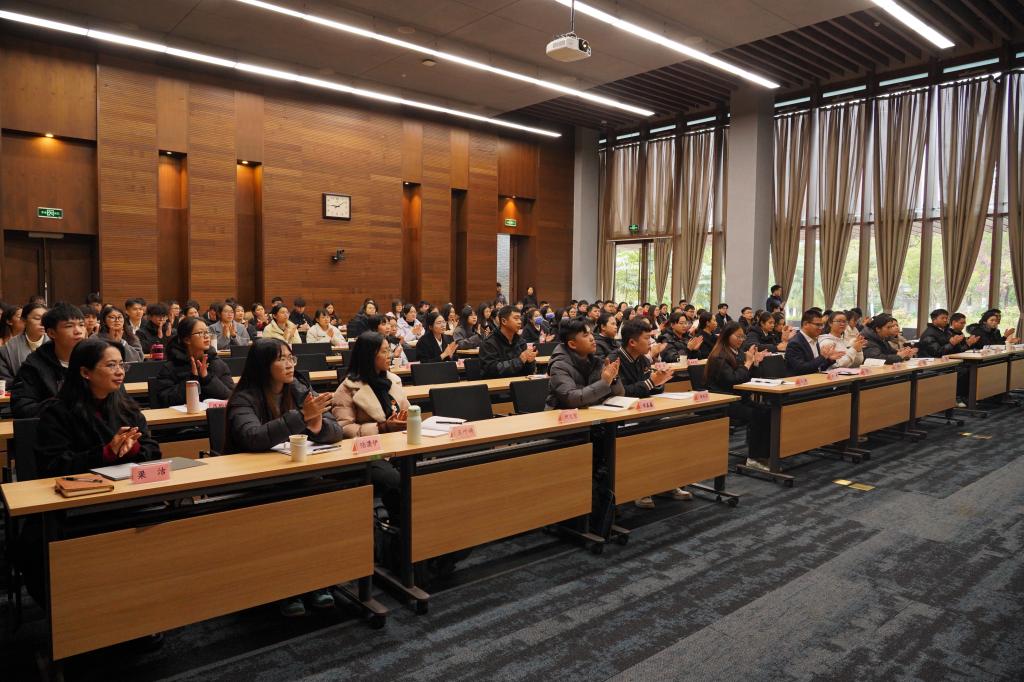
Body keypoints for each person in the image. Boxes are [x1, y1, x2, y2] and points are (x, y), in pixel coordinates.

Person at [224, 338, 340, 616]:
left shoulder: (298, 388)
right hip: (255, 481)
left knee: (325, 496)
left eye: (291, 358)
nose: (290, 364)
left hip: (293, 473)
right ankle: (288, 586)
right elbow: (253, 437)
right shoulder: (243, 398)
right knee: (288, 508)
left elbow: (336, 430)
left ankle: (317, 579)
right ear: (263, 365)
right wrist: (301, 416)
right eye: (282, 359)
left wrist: (318, 425)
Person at [36, 338, 161, 477]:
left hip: (128, 484)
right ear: (85, 372)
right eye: (111, 365)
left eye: (121, 365)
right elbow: (53, 466)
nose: (120, 372)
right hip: (87, 487)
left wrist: (133, 448)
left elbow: (153, 450)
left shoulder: (126, 406)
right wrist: (106, 453)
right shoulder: (57, 413)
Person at [615, 318, 687, 507]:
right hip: (622, 416)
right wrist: (651, 382)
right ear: (632, 342)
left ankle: (666, 483)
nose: (651, 343)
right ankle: (641, 488)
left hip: (643, 411)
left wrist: (659, 381)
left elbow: (650, 387)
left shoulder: (641, 359)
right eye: (647, 338)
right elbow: (622, 393)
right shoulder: (615, 359)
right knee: (644, 438)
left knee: (671, 428)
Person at [331, 331, 405, 514]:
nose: (390, 355)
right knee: (393, 479)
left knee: (426, 469)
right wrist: (382, 427)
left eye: (389, 350)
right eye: (384, 351)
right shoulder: (347, 389)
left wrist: (407, 420)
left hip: (398, 446)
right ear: (369, 356)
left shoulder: (392, 381)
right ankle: (399, 526)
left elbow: (407, 410)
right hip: (369, 454)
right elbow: (344, 429)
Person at [706, 323, 771, 471]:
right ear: (726, 336)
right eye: (738, 336)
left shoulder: (739, 353)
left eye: (743, 337)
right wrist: (748, 363)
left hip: (740, 398)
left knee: (767, 410)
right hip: (725, 401)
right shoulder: (718, 356)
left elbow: (749, 377)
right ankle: (754, 458)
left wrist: (755, 363)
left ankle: (763, 453)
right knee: (758, 414)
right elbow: (733, 380)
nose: (741, 340)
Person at [11, 302, 86, 418]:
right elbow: (22, 408)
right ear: (51, 333)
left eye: (81, 325)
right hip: (53, 427)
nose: (78, 331)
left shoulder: (95, 359)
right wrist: (62, 403)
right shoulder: (34, 365)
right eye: (69, 326)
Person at [153, 317, 235, 407]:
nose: (207, 336)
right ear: (187, 340)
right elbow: (165, 400)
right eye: (200, 333)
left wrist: (207, 378)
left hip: (212, 414)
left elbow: (230, 396)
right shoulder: (171, 367)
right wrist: (192, 379)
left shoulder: (217, 363)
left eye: (207, 332)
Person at [546, 318, 624, 409]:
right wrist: (604, 382)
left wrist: (613, 379)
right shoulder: (559, 366)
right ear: (572, 344)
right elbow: (571, 399)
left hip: (593, 413)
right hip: (565, 415)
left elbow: (620, 394)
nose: (592, 338)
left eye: (591, 333)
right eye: (585, 335)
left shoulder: (596, 361)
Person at [480, 305, 537, 378]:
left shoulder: (521, 341)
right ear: (504, 321)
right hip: (498, 384)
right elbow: (491, 370)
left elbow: (527, 373)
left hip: (518, 382)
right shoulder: (489, 343)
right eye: (516, 318)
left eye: (520, 319)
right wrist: (519, 361)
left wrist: (529, 362)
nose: (520, 322)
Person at [785, 310, 846, 375]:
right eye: (817, 325)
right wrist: (822, 357)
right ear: (805, 324)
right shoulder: (795, 343)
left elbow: (818, 368)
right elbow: (801, 369)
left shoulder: (814, 340)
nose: (821, 328)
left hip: (815, 378)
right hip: (801, 380)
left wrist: (829, 360)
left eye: (822, 325)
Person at [0, 302, 47, 383]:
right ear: (24, 320)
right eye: (37, 318)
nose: (43, 323)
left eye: (45, 319)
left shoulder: (56, 344)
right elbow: (6, 380)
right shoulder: (7, 349)